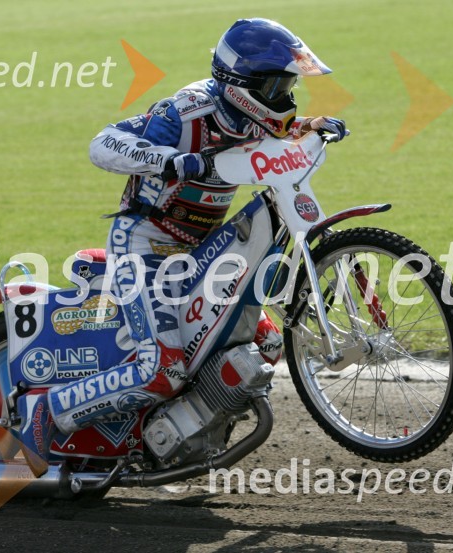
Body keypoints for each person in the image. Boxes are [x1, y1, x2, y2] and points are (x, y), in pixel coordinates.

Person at [18, 18, 347, 465]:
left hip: (201, 250)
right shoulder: (185, 112)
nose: (285, 96)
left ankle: (184, 429)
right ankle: (49, 411)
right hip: (144, 244)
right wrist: (170, 161)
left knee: (268, 345)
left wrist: (311, 125)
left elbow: (276, 132)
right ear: (240, 84)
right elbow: (103, 143)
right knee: (162, 368)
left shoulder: (255, 114)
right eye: (276, 85)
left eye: (289, 85)